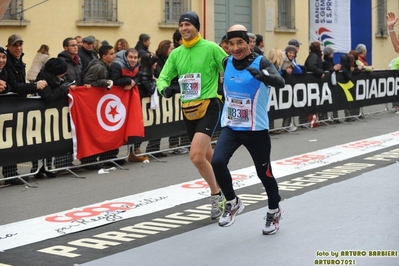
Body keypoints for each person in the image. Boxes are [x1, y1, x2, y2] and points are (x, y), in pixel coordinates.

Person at [211, 24, 285, 234]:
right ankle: (232, 202)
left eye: (240, 43)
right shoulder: (226, 62)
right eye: (231, 44)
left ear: (248, 43)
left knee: (264, 173)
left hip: (256, 129)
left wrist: (264, 77)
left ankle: (274, 209)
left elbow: (280, 82)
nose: (236, 48)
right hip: (232, 126)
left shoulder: (261, 61)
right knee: (217, 161)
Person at [156, 11, 227, 219]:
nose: (185, 28)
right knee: (206, 155)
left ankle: (217, 196)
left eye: (188, 24)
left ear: (197, 27)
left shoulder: (211, 48)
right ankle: (226, 188)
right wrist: (165, 89)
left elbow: (231, 66)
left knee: (196, 156)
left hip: (209, 106)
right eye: (181, 25)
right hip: (188, 109)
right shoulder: (176, 54)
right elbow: (162, 78)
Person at [3, 34, 47, 183]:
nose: (18, 48)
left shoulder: (18, 60)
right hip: (9, 106)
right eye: (15, 45)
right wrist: (34, 86)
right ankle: (10, 174)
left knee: (14, 140)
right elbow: (14, 86)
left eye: (20, 44)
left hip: (17, 104)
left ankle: (12, 172)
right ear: (8, 46)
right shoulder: (7, 62)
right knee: (8, 140)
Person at [83, 44, 125, 166]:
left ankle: (106, 156)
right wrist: (105, 82)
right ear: (104, 56)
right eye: (111, 54)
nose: (114, 56)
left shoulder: (106, 66)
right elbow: (87, 81)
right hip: (91, 104)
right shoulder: (98, 67)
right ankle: (89, 160)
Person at [109, 48, 150, 163]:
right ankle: (111, 156)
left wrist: (132, 83)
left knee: (134, 123)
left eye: (135, 58)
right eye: (130, 57)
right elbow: (114, 80)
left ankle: (134, 151)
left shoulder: (138, 65)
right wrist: (128, 81)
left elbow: (138, 77)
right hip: (115, 101)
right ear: (126, 57)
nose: (133, 60)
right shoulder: (116, 65)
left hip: (130, 100)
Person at [323, 47, 342, 123]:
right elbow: (327, 70)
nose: (333, 54)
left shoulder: (330, 60)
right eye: (332, 53)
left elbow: (332, 69)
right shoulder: (324, 61)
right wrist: (334, 69)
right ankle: (325, 118)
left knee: (335, 100)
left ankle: (335, 117)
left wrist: (336, 69)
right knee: (326, 100)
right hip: (327, 83)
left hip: (332, 82)